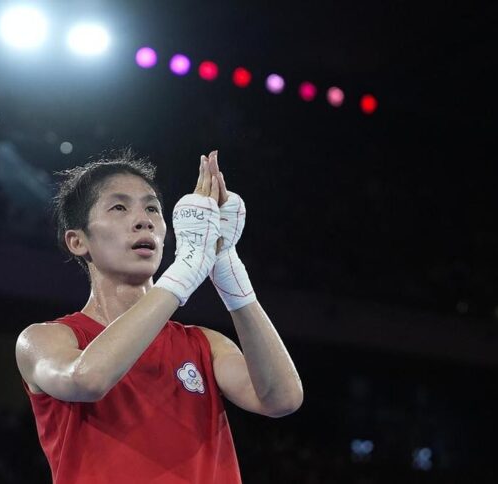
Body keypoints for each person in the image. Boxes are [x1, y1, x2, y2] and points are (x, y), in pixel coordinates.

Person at [15, 149, 303, 483]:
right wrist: (186, 268)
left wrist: (228, 269)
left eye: (152, 208)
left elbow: (282, 399)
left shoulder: (205, 344)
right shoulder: (44, 339)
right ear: (78, 241)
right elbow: (87, 379)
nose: (144, 220)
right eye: (119, 208)